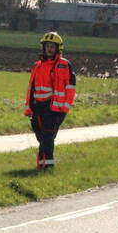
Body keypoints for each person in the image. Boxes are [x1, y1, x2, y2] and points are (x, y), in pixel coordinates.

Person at [24, 32, 77, 169]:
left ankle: (47, 166)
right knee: (40, 135)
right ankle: (43, 163)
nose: (49, 49)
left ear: (58, 48)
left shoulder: (64, 65)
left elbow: (70, 87)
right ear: (43, 47)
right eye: (47, 46)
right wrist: (28, 107)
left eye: (52, 46)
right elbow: (31, 87)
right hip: (38, 106)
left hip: (54, 107)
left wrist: (65, 107)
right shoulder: (37, 66)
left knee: (47, 136)